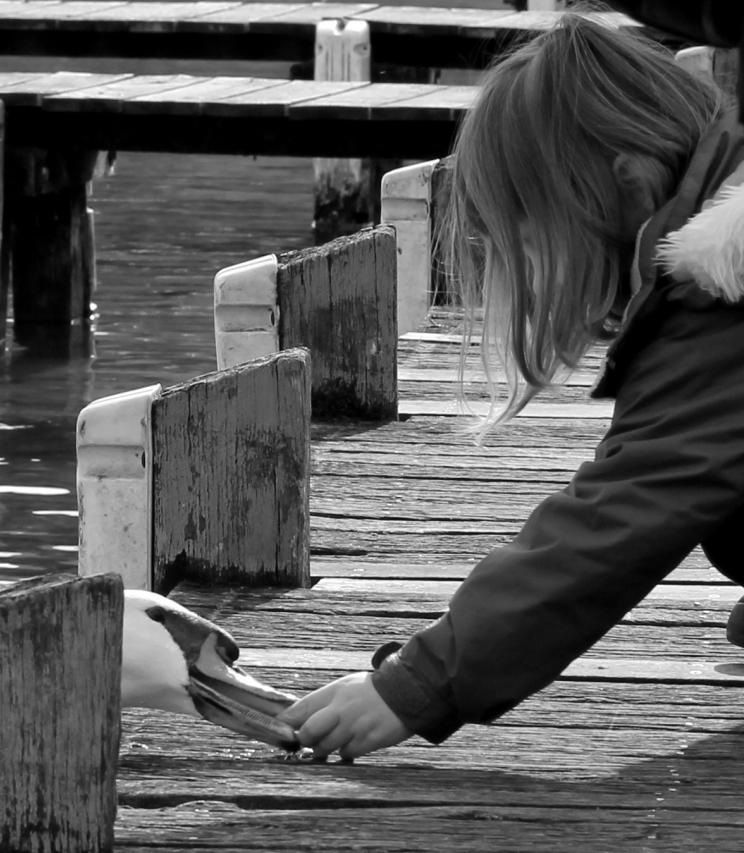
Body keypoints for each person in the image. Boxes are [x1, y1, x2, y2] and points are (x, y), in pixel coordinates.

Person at [276, 13, 744, 759]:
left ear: (628, 183)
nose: (523, 260)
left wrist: (414, 683)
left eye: (530, 231)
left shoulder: (721, 287)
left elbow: (628, 509)